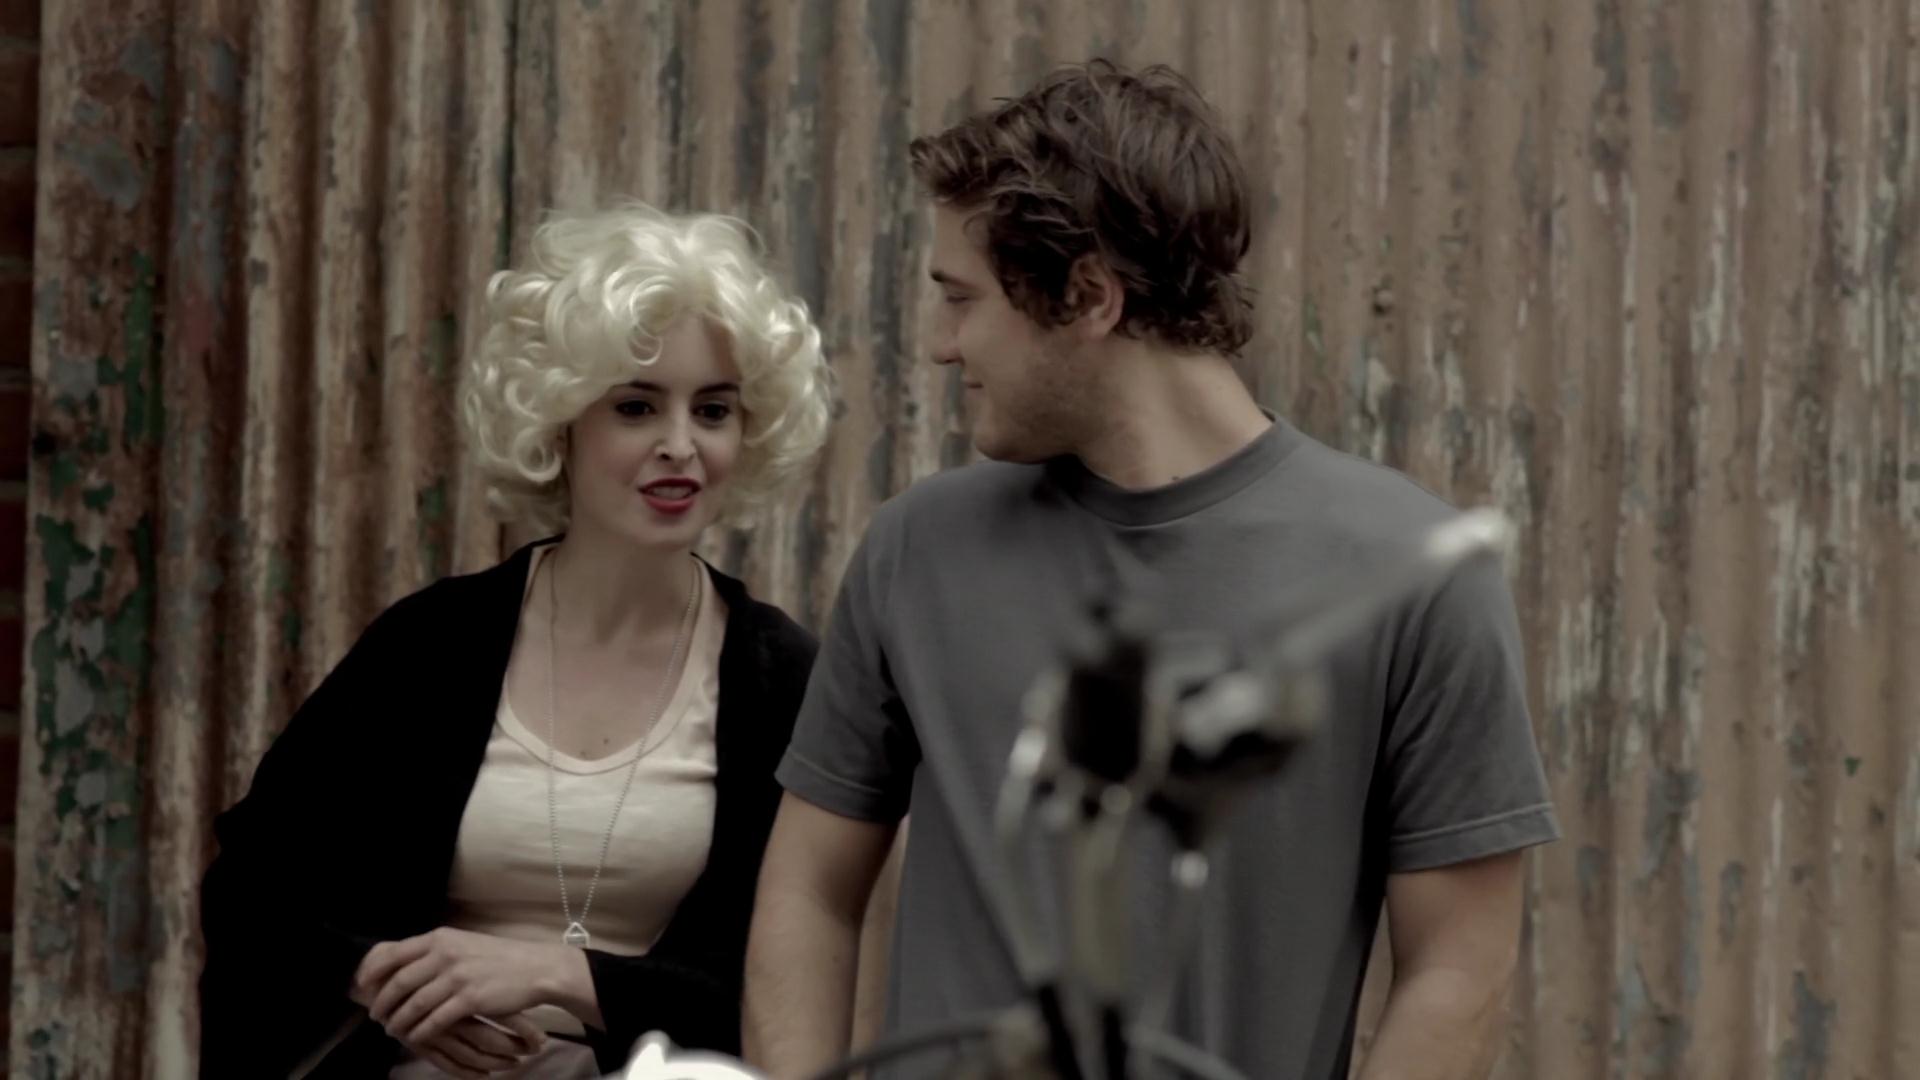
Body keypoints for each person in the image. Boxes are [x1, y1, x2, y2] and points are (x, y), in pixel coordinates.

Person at [741, 60, 1560, 1080]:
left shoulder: (1411, 577)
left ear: (1088, 296)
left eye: (962, 299)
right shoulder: (917, 548)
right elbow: (810, 891)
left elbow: (1459, 969)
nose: (943, 346)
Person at [199, 203, 834, 1079]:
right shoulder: (433, 644)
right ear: (560, 422)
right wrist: (382, 983)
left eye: (714, 410)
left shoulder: (779, 681)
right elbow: (255, 889)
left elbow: (800, 986)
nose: (680, 446)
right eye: (637, 406)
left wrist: (566, 976)